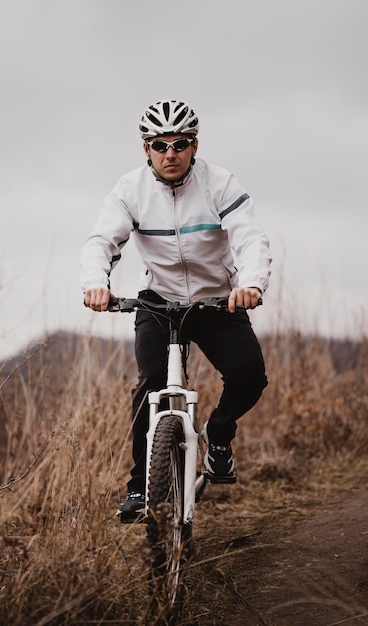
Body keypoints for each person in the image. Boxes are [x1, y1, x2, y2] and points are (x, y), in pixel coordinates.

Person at [81, 100, 271, 520]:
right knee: (150, 386)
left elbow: (251, 239)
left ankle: (218, 433)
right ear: (146, 148)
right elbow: (101, 242)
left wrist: (251, 283)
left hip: (217, 300)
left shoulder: (220, 184)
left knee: (249, 377)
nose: (171, 153)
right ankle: (138, 489)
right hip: (159, 302)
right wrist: (96, 284)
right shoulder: (129, 190)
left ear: (194, 146)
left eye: (180, 143)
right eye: (160, 144)